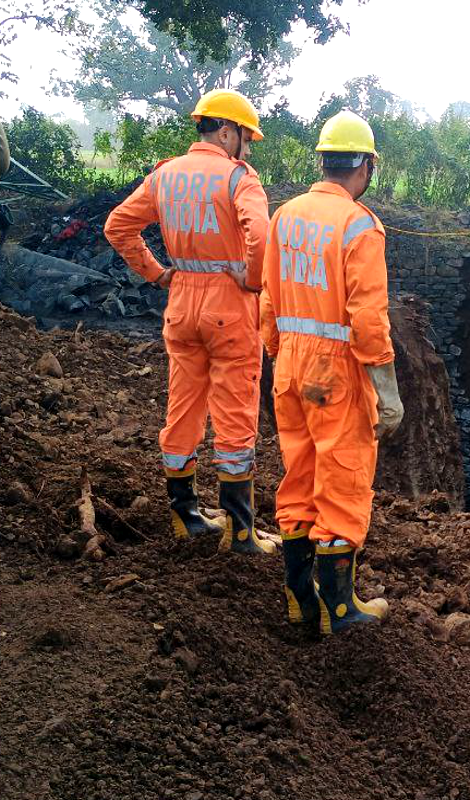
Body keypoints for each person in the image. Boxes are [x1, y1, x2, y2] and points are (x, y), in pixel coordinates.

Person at [105, 89, 275, 555]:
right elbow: (260, 234)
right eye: (246, 138)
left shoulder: (165, 175)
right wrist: (254, 280)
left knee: (183, 408)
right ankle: (240, 534)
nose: (248, 147)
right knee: (236, 413)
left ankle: (186, 517)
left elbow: (118, 225)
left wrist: (157, 272)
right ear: (227, 131)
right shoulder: (240, 178)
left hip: (181, 303)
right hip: (229, 304)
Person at [259, 110, 403, 634]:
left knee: (298, 478)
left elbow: (268, 297)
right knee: (341, 483)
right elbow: (368, 318)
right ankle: (341, 611)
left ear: (322, 160)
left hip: (290, 366)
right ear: (365, 166)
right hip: (336, 371)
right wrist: (387, 393)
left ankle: (301, 600)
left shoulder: (286, 215)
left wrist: (276, 352)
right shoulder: (359, 225)